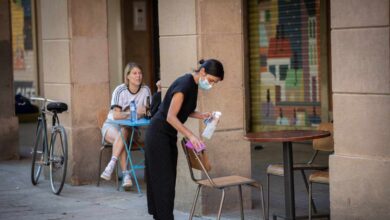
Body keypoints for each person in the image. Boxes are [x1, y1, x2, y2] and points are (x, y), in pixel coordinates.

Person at [144, 59, 224, 219]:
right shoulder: (185, 85)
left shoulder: (192, 85)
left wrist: (201, 115)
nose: (211, 85)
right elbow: (171, 116)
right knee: (164, 183)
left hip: (167, 137)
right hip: (158, 136)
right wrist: (191, 135)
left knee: (166, 182)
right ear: (203, 72)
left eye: (214, 83)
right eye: (211, 81)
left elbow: (183, 110)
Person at [100, 62, 151, 189]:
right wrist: (133, 113)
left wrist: (136, 114)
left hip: (131, 129)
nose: (138, 76)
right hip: (111, 126)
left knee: (124, 131)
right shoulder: (120, 90)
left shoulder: (146, 90)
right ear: (127, 76)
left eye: (140, 73)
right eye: (134, 73)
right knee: (121, 135)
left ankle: (112, 164)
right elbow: (116, 116)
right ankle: (125, 174)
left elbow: (148, 111)